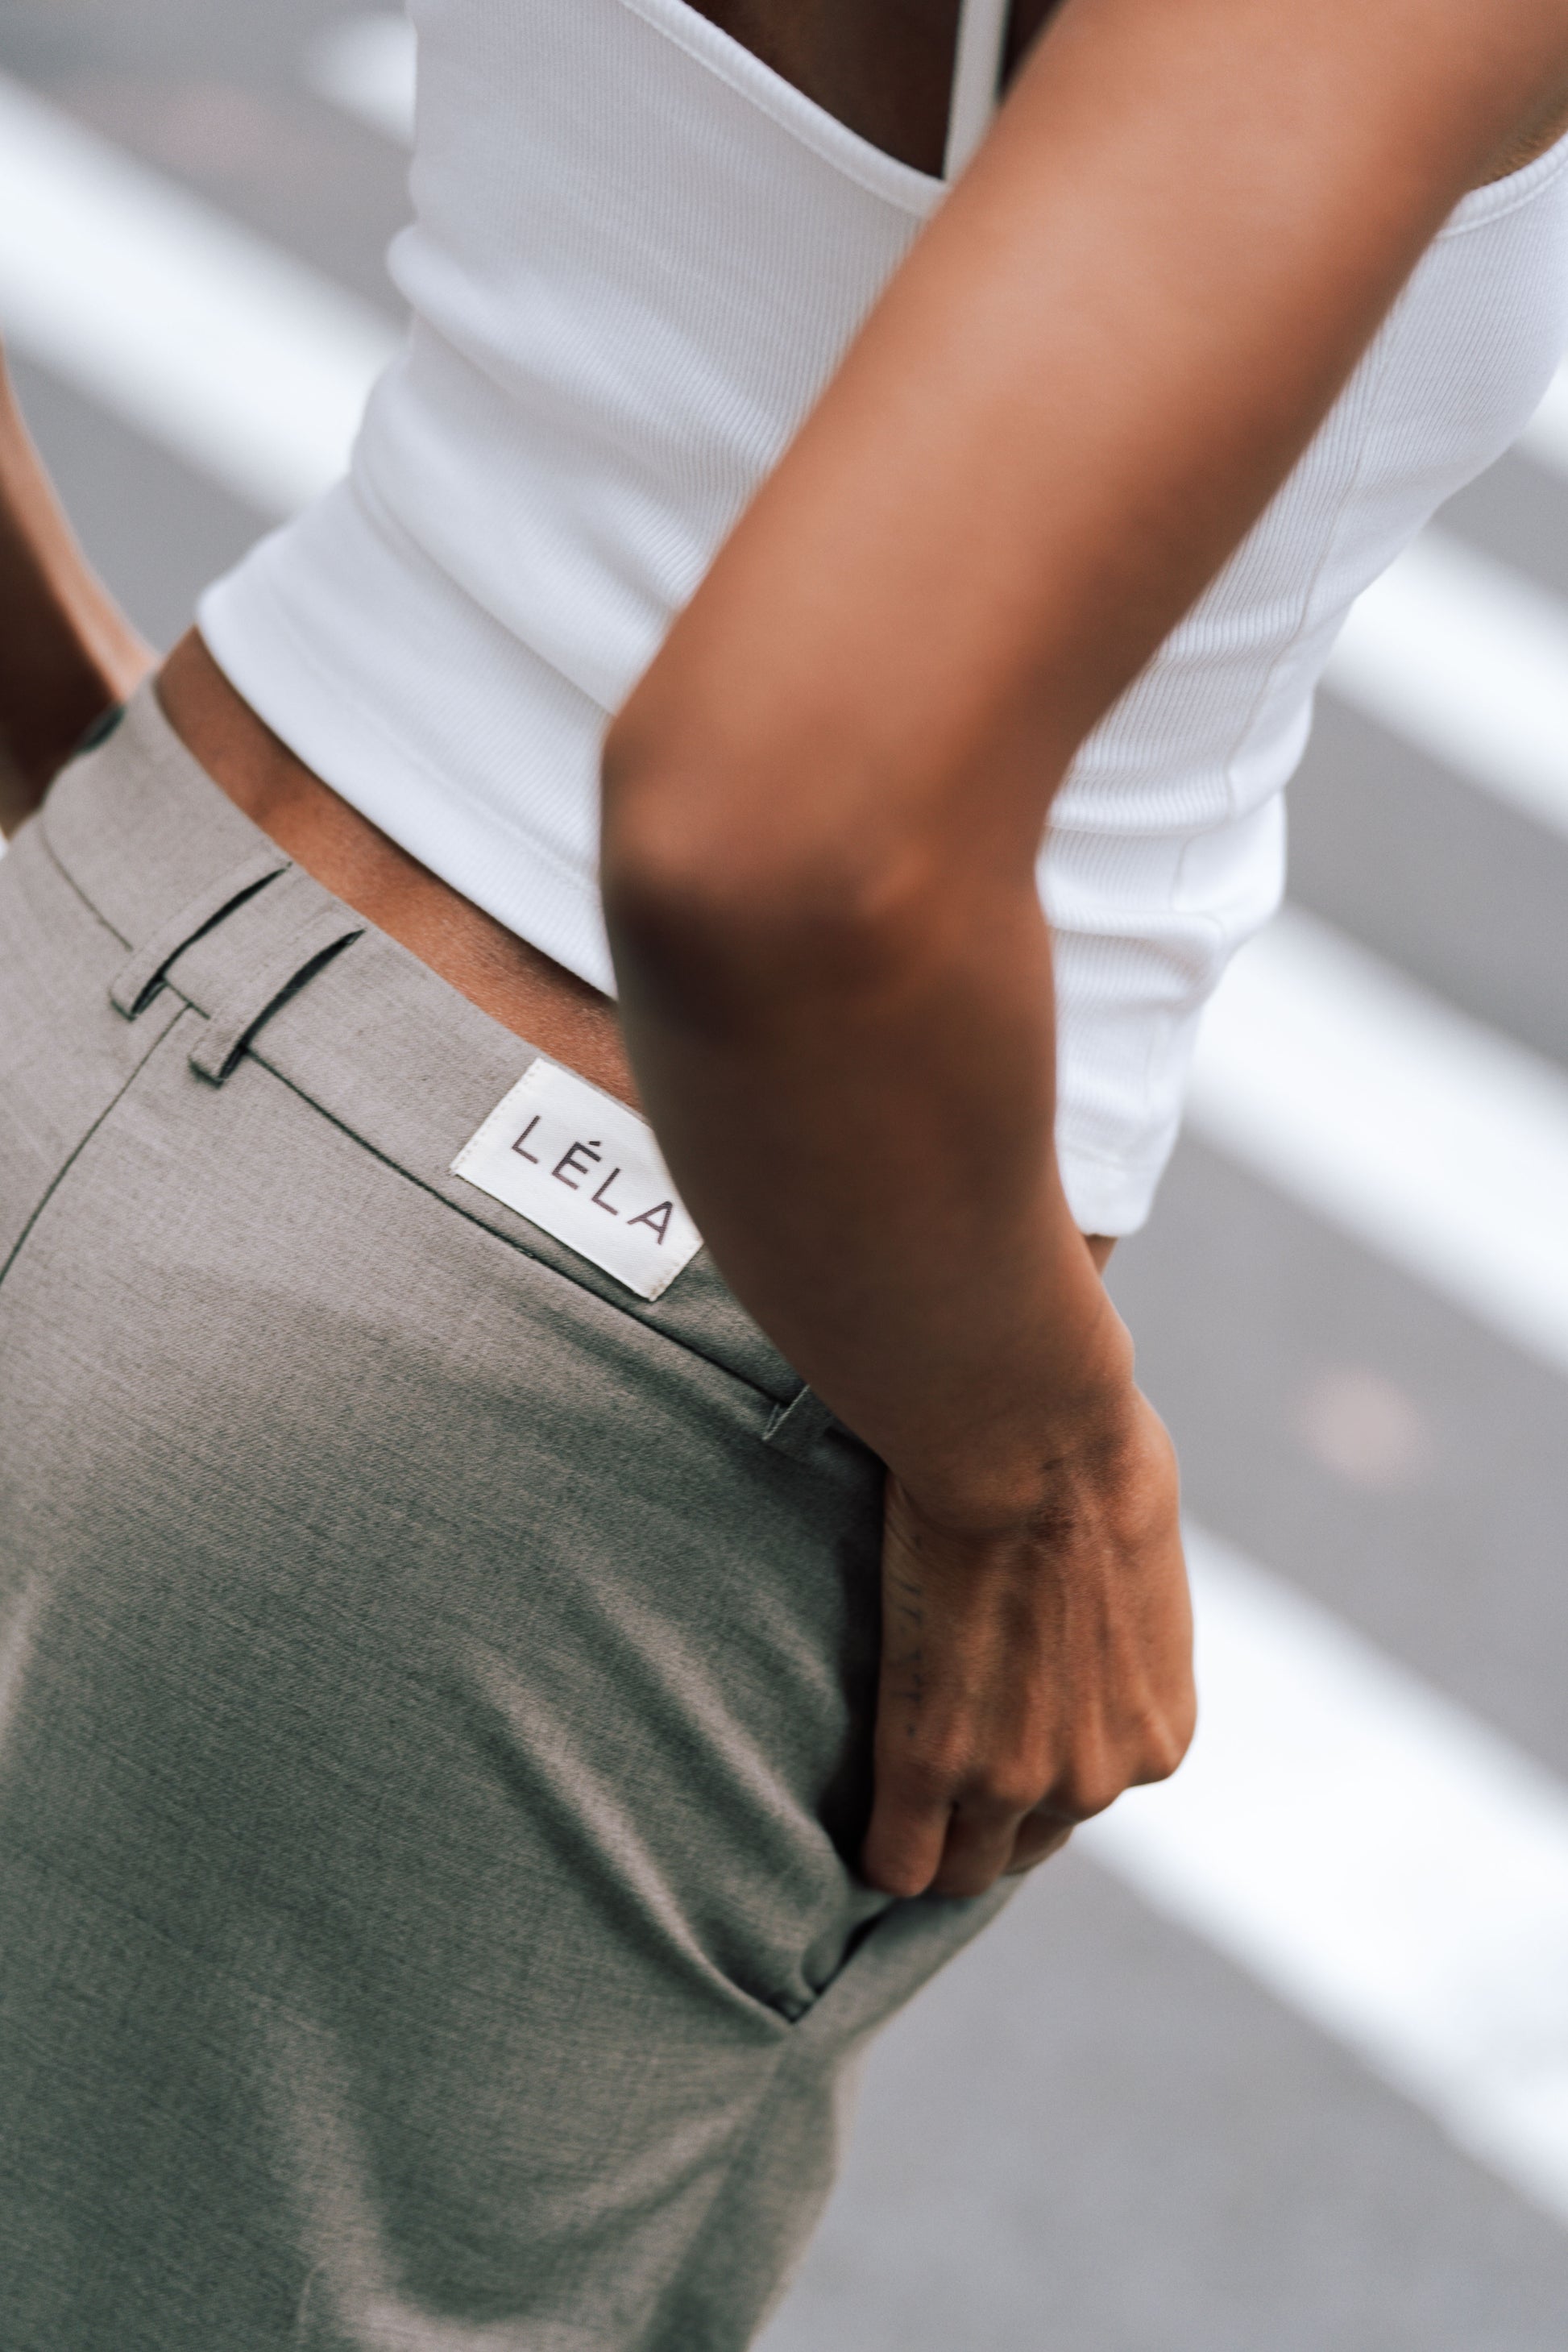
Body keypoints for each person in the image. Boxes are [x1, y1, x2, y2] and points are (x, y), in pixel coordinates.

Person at [2, 1, 1567, 2343]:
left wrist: (49, 745)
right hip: (501, 1433)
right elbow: (776, 837)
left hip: (105, 929)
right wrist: (1036, 1471)